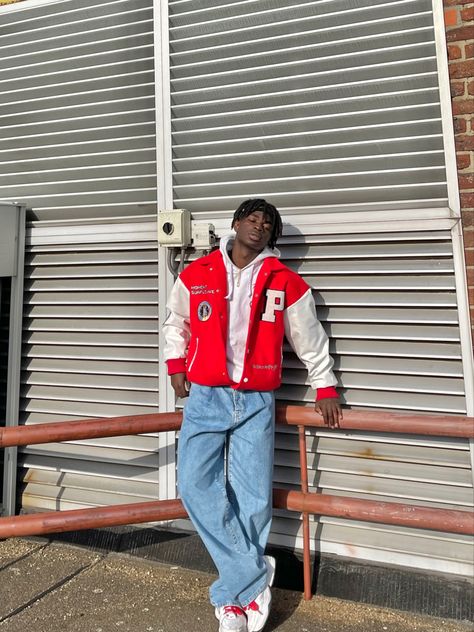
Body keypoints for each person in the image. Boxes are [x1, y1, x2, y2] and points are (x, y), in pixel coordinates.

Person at [163, 198, 342, 632]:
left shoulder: (286, 282)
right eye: (252, 218)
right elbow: (176, 323)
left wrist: (325, 384)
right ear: (236, 223)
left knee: (252, 496)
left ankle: (233, 600)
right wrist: (175, 366)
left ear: (272, 235)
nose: (259, 226)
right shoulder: (197, 273)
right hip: (206, 395)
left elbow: (308, 337)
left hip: (257, 399)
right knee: (192, 484)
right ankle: (251, 573)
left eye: (268, 223)